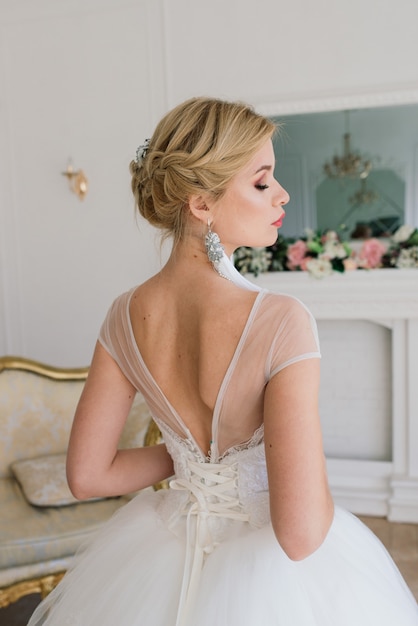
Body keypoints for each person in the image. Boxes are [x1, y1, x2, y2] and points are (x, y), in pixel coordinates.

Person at [28, 97, 418, 626]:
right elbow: (300, 536)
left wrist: (191, 461)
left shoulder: (124, 314)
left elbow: (88, 475)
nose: (282, 194)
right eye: (261, 182)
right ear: (200, 203)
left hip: (153, 563)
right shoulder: (281, 319)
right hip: (271, 580)